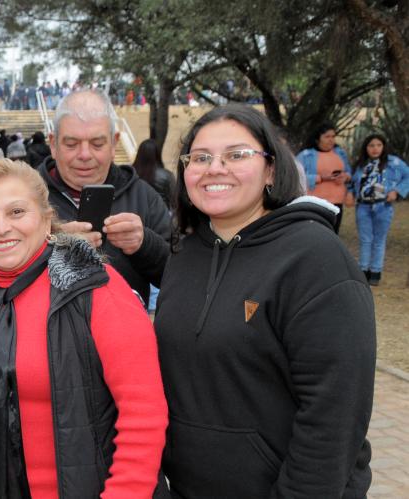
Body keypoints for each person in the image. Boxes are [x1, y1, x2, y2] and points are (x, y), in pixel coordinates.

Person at [155, 105, 374, 498]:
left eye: (236, 155)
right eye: (200, 157)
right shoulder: (185, 254)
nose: (214, 168)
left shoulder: (315, 258)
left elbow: (333, 417)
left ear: (271, 169)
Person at [0, 158, 167, 497]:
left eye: (16, 212)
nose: (1, 228)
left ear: (45, 219)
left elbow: (143, 415)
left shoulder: (96, 288)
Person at [39, 89, 171, 305]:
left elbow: (177, 275)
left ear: (114, 144)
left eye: (97, 144)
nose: (84, 155)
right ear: (53, 144)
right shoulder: (27, 197)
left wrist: (144, 244)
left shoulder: (143, 196)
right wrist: (50, 247)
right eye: (71, 144)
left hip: (123, 333)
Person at [346, 133, 409, 285]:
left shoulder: (393, 162)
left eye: (378, 145)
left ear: (384, 147)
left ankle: (375, 272)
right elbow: (352, 181)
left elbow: (408, 176)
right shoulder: (360, 164)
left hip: (383, 206)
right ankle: (363, 271)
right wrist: (350, 193)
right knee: (365, 239)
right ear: (366, 148)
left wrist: (397, 191)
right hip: (363, 206)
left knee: (379, 240)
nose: (375, 149)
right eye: (371, 146)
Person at [296, 122, 350, 233]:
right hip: (315, 202)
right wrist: (319, 177)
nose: (331, 140)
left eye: (333, 137)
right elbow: (296, 176)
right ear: (317, 139)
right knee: (315, 234)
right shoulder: (306, 155)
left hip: (336, 203)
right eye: (327, 137)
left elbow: (349, 172)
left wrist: (345, 177)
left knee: (333, 234)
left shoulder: (340, 153)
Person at [132, 138, 176, 211]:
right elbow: (174, 200)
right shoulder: (166, 175)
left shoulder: (130, 173)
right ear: (158, 154)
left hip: (136, 213)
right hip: (161, 215)